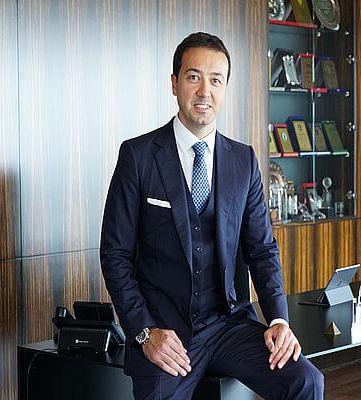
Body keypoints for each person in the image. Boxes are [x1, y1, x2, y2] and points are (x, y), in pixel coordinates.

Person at [100, 32, 324, 399]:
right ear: (174, 83)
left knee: (306, 381)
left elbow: (262, 250)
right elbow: (115, 255)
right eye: (194, 77)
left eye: (216, 80)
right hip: (166, 332)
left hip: (229, 326)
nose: (205, 91)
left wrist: (279, 320)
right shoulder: (138, 157)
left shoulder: (243, 160)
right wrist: (145, 332)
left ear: (225, 88)